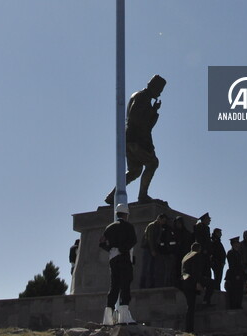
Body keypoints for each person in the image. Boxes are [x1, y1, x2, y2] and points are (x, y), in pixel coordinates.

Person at [105, 75, 166, 205]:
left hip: (130, 139)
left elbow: (146, 123)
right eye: (159, 90)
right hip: (136, 139)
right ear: (153, 86)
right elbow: (136, 119)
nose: (160, 93)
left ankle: (112, 196)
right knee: (152, 163)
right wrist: (152, 112)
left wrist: (154, 110)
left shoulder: (142, 98)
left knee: (135, 171)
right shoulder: (142, 97)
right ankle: (142, 196)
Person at [101, 203, 138, 325]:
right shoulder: (128, 226)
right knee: (125, 285)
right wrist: (122, 249)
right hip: (124, 258)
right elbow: (133, 241)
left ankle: (107, 317)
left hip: (113, 259)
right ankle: (124, 316)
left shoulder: (109, 227)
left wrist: (111, 249)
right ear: (126, 214)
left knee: (114, 286)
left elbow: (101, 242)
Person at [181, 242, 209, 332]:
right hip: (191, 283)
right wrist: (197, 283)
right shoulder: (196, 255)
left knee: (189, 307)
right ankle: (206, 300)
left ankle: (188, 329)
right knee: (191, 308)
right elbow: (195, 270)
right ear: (199, 249)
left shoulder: (186, 256)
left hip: (185, 282)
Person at [140, 213, 167, 289]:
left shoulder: (159, 227)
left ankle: (151, 284)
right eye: (163, 220)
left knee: (152, 268)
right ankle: (142, 285)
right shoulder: (152, 225)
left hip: (153, 249)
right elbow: (150, 238)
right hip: (148, 248)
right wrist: (152, 250)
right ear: (159, 219)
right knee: (146, 267)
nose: (164, 222)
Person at [225, 236, 246, 309]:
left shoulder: (238, 253)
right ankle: (234, 305)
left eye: (238, 243)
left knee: (240, 291)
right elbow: (232, 265)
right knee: (234, 291)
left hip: (240, 274)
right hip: (233, 275)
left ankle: (238, 305)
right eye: (236, 243)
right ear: (233, 244)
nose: (238, 245)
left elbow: (240, 265)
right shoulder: (230, 253)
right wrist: (236, 274)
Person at [211, 228, 227, 300]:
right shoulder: (214, 241)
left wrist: (223, 262)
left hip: (220, 263)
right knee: (217, 277)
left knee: (219, 278)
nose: (221, 234)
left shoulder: (218, 242)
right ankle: (216, 289)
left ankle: (217, 288)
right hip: (216, 262)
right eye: (219, 233)